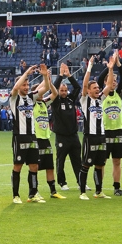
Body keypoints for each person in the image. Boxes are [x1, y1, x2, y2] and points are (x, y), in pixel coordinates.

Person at [79, 55, 115, 200]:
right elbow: (84, 83)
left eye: (97, 88)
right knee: (86, 164)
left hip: (101, 137)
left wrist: (111, 69)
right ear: (88, 91)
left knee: (100, 165)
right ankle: (82, 192)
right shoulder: (84, 100)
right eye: (94, 88)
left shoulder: (100, 99)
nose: (97, 90)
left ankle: (98, 191)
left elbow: (109, 85)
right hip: (90, 137)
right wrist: (90, 67)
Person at [10, 64, 45, 204]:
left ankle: (33, 193)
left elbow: (46, 88)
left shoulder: (31, 97)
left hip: (32, 136)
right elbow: (14, 89)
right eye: (23, 85)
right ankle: (15, 195)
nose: (26, 87)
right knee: (17, 165)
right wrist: (26, 73)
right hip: (19, 136)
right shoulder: (13, 98)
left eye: (27, 84)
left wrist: (45, 76)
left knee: (34, 166)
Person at [96, 51, 122, 196]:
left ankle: (117, 187)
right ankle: (100, 188)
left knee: (117, 161)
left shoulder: (119, 94)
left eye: (115, 81)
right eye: (111, 81)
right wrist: (109, 67)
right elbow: (100, 78)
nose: (114, 82)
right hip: (105, 131)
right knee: (101, 162)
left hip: (117, 131)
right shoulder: (100, 96)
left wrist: (118, 64)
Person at [31, 64, 64, 200]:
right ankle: (35, 191)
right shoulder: (30, 103)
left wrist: (49, 82)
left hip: (46, 138)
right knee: (35, 167)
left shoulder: (44, 103)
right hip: (36, 138)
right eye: (40, 91)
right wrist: (45, 80)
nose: (42, 93)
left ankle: (53, 191)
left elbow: (55, 94)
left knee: (49, 166)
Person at [51, 63, 83, 191]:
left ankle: (81, 181)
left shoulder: (71, 99)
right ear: (58, 91)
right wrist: (60, 75)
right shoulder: (55, 101)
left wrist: (69, 75)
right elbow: (52, 87)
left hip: (73, 136)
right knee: (61, 162)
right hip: (61, 137)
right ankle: (62, 183)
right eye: (61, 90)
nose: (64, 92)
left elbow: (77, 87)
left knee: (77, 161)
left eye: (65, 90)